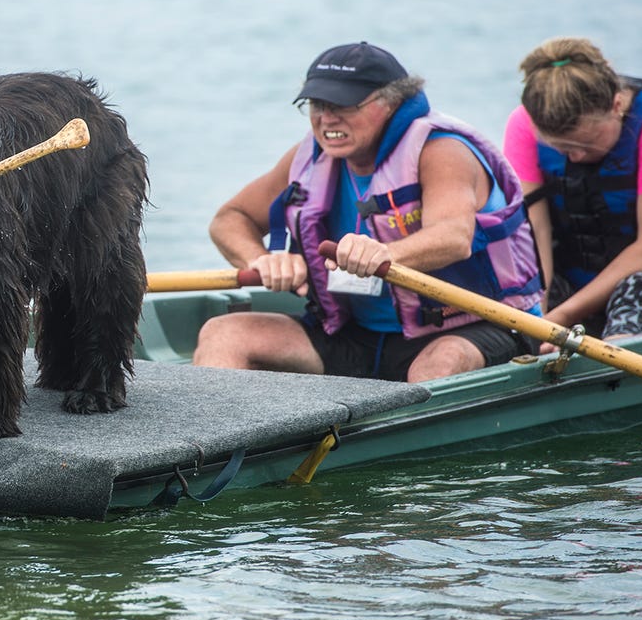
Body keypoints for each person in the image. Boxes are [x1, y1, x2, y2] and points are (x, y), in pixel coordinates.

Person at [193, 42, 543, 382]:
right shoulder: (308, 159)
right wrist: (261, 259)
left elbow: (454, 237)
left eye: (344, 105)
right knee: (224, 333)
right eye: (317, 104)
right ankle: (217, 441)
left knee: (440, 365)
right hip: (355, 335)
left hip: (473, 324)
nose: (327, 118)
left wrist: (386, 253)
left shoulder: (441, 151)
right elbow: (229, 219)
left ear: (392, 103)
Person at [505, 37, 642, 348]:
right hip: (571, 278)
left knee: (639, 290)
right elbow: (533, 232)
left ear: (616, 105)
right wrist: (539, 314)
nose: (574, 159)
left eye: (584, 146)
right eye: (561, 149)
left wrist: (559, 319)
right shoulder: (523, 124)